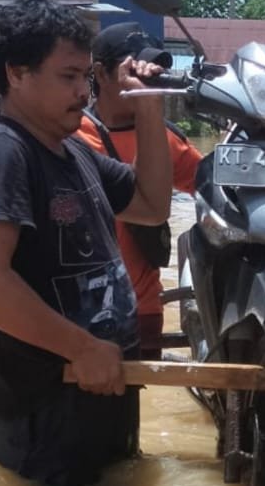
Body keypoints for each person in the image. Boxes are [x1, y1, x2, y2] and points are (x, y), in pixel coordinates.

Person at [0, 0, 172, 486]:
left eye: (85, 77)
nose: (84, 92)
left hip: (100, 387)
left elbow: (152, 206)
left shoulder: (71, 150)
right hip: (46, 410)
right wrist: (81, 347)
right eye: (67, 77)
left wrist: (150, 111)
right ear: (16, 73)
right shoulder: (2, 156)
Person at [77, 23, 203, 359]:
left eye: (153, 73)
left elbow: (212, 188)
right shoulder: (72, 139)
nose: (147, 80)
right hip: (83, 307)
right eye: (134, 70)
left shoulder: (169, 140)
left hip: (142, 306)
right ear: (101, 74)